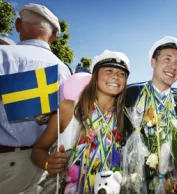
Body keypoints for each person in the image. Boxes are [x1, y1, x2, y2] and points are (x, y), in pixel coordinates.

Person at [31, 50, 130, 193]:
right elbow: (38, 151)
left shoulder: (125, 117)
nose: (116, 76)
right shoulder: (69, 108)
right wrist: (48, 162)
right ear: (95, 77)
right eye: (109, 70)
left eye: (122, 74)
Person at [0, 3, 71, 193]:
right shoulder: (62, 69)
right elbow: (62, 122)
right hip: (28, 163)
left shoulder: (2, 55)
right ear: (54, 35)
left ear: (17, 25)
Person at [123, 36, 177, 193]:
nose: (173, 66)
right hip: (134, 181)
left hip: (170, 185)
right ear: (153, 63)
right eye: (167, 59)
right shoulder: (130, 94)